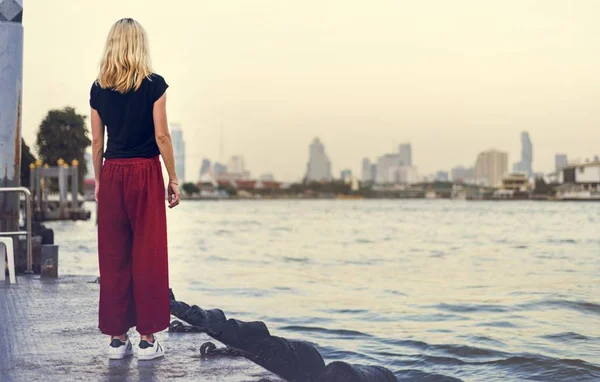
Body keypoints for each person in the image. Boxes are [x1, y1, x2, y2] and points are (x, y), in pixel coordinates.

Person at [89, 18, 180, 360]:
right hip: (144, 172)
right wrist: (172, 178)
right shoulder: (154, 85)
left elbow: (97, 142)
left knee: (113, 255)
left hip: (113, 172)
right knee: (148, 254)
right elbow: (162, 136)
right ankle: (146, 340)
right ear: (141, 45)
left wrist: (100, 181)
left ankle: (116, 340)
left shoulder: (98, 89)